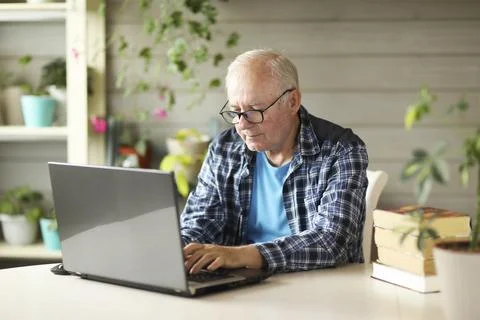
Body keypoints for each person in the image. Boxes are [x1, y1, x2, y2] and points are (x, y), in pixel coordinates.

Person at [181, 49, 369, 274]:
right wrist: (178, 251)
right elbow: (200, 223)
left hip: (319, 288)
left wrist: (238, 255)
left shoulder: (341, 150)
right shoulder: (224, 148)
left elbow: (331, 242)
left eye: (254, 110)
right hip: (241, 286)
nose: (242, 124)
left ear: (292, 101)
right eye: (236, 111)